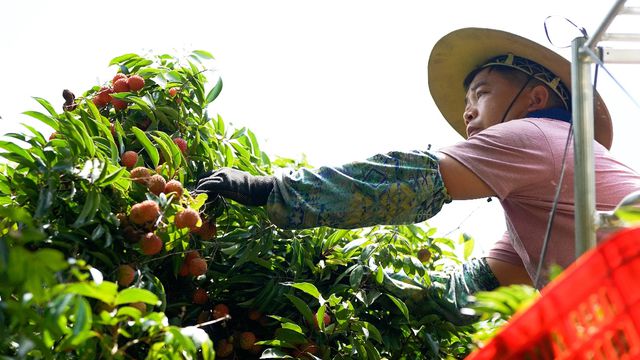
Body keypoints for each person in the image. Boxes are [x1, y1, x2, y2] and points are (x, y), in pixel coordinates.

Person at [194, 27, 640, 324]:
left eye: (482, 93)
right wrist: (343, 285)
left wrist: (269, 189)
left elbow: (405, 182)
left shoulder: (539, 135)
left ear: (534, 98)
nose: (468, 110)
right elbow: (460, 295)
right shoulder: (543, 203)